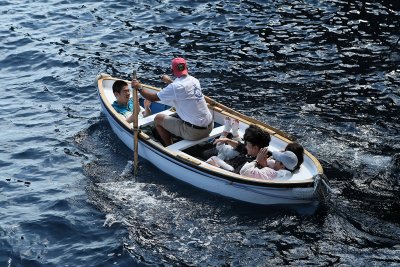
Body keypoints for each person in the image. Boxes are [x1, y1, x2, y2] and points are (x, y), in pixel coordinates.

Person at [131, 57, 213, 146]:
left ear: (172, 71)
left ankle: (169, 146)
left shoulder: (175, 87)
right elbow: (181, 89)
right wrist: (169, 81)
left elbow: (152, 98)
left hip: (194, 133)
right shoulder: (194, 80)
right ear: (187, 68)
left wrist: (139, 87)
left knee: (158, 119)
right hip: (209, 127)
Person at [206, 124, 270, 173]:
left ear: (255, 147)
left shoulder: (252, 163)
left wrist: (216, 166)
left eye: (247, 144)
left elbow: (234, 173)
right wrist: (227, 140)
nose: (245, 146)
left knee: (211, 157)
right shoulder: (251, 152)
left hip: (226, 171)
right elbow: (240, 146)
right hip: (227, 164)